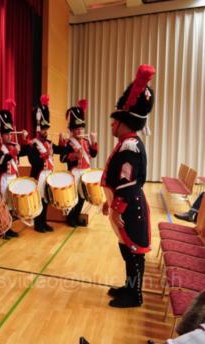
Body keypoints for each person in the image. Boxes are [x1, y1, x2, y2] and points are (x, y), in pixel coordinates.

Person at [102, 64, 155, 308]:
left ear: (123, 122)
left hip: (129, 207)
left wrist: (116, 206)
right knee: (126, 248)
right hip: (124, 206)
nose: (111, 126)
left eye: (114, 122)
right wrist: (108, 200)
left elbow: (129, 183)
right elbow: (116, 180)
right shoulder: (126, 143)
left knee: (133, 251)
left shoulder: (130, 146)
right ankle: (129, 287)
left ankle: (135, 296)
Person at [20, 95, 66, 232]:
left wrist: (62, 141)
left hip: (48, 175)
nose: (46, 131)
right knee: (39, 199)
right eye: (44, 129)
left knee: (46, 199)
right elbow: (32, 161)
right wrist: (45, 155)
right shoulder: (33, 144)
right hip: (38, 175)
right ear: (38, 129)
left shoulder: (49, 142)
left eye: (47, 129)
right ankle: (38, 224)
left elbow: (61, 150)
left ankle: (43, 222)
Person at [0, 99, 23, 239]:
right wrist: (11, 154)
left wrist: (24, 141)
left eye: (10, 133)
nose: (9, 135)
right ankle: (1, 230)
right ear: (1, 134)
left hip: (12, 178)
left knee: (9, 204)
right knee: (2, 204)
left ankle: (8, 227)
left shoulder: (13, 144)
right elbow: (0, 162)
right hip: (2, 178)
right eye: (6, 133)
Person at [60, 99, 98, 227]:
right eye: (77, 129)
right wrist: (74, 155)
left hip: (85, 172)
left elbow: (93, 154)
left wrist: (94, 141)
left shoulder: (86, 141)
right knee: (75, 197)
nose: (80, 131)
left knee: (83, 196)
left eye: (81, 128)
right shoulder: (68, 143)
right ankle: (70, 219)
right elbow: (63, 158)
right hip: (75, 172)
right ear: (72, 130)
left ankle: (76, 217)